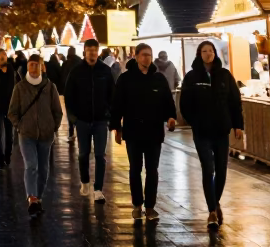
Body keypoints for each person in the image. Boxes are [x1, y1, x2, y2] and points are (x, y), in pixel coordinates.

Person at [179, 41, 243, 228]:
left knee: (221, 170)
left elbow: (234, 101)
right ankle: (212, 211)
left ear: (215, 53)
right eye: (204, 51)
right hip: (202, 131)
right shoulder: (192, 77)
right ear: (199, 54)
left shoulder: (224, 75)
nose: (208, 54)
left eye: (211, 51)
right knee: (208, 168)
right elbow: (185, 103)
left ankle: (215, 201)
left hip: (221, 130)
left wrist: (238, 125)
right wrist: (194, 121)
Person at [110, 42, 176, 222]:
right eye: (144, 55)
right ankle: (137, 204)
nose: (147, 58)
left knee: (152, 170)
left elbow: (168, 102)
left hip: (154, 132)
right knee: (135, 169)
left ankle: (150, 206)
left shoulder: (159, 79)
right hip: (133, 131)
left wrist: (171, 117)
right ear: (137, 57)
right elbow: (117, 104)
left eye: (149, 54)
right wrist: (116, 127)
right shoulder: (125, 79)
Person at [8, 53, 63, 216]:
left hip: (46, 135)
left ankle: (38, 197)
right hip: (27, 134)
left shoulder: (49, 87)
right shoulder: (20, 87)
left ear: (41, 67)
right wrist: (20, 126)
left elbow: (57, 111)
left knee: (44, 168)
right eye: (31, 65)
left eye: (36, 65)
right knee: (31, 165)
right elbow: (12, 112)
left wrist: (53, 127)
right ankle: (31, 197)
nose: (33, 68)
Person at [64, 38, 115, 201]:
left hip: (100, 120)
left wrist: (109, 114)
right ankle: (85, 181)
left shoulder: (105, 71)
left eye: (95, 49)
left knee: (100, 155)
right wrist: (73, 118)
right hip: (83, 120)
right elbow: (69, 96)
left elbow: (112, 94)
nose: (92, 52)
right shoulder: (76, 71)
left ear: (98, 51)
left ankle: (98, 188)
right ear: (84, 51)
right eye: (89, 50)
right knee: (83, 154)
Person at [59, 45, 79, 141]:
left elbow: (62, 76)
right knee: (79, 110)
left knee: (69, 110)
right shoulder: (80, 62)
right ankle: (80, 129)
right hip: (79, 91)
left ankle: (71, 131)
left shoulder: (66, 63)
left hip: (68, 91)